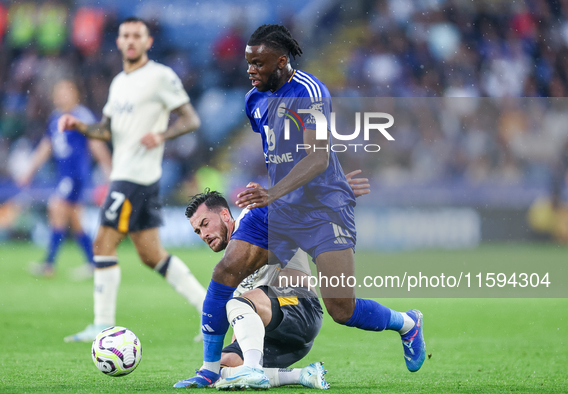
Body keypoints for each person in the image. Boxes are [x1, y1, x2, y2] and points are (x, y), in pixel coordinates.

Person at [176, 24, 426, 389]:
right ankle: (209, 369)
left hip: (323, 209)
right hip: (278, 207)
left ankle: (407, 323)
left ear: (281, 61)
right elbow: (279, 152)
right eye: (248, 63)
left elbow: (319, 157)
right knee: (225, 271)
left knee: (342, 309)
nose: (251, 71)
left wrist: (274, 192)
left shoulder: (311, 93)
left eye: (258, 64)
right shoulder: (253, 100)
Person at [59, 17, 206, 342]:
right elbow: (105, 130)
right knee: (152, 255)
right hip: (131, 176)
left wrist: (162, 135)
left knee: (103, 243)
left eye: (137, 35)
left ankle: (101, 325)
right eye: (125, 35)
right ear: (120, 41)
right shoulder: (119, 83)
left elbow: (191, 118)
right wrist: (79, 126)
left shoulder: (160, 76)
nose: (130, 40)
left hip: (133, 177)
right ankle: (209, 312)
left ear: (148, 42)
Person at [183, 189, 329, 389]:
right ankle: (303, 375)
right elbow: (243, 320)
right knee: (221, 370)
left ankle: (252, 369)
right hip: (279, 338)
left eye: (205, 224)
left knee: (237, 303)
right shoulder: (232, 267)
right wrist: (237, 350)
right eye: (198, 231)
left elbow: (287, 204)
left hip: (300, 306)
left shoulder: (253, 219)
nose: (203, 234)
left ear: (225, 215)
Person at [18, 79, 111, 280]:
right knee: (75, 220)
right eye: (58, 92)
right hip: (64, 176)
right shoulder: (55, 118)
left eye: (66, 91)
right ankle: (93, 263)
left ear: (75, 94)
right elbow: (46, 146)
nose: (61, 96)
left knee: (56, 208)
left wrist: (107, 170)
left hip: (75, 176)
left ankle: (49, 264)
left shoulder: (82, 116)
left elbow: (96, 144)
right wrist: (30, 170)